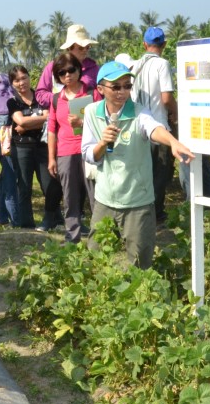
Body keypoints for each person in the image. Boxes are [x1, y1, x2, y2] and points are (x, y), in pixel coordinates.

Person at [82, 61, 193, 268]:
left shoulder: (140, 112)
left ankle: (140, 298)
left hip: (137, 200)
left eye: (127, 86)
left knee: (140, 260)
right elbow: (88, 154)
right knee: (96, 256)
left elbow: (153, 128)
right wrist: (103, 143)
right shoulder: (91, 112)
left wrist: (172, 142)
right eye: (116, 87)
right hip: (105, 198)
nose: (122, 91)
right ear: (100, 89)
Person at [47, 52, 99, 243]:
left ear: (79, 69)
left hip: (90, 151)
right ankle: (72, 235)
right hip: (66, 152)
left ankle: (100, 236)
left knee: (95, 195)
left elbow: (102, 122)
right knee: (70, 197)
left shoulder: (92, 94)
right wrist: (51, 158)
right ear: (57, 76)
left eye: (71, 70)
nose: (67, 75)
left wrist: (83, 122)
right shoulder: (56, 99)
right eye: (62, 72)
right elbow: (51, 130)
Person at [129, 27, 178, 222]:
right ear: (164, 44)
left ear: (144, 45)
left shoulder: (135, 65)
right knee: (160, 173)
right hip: (158, 127)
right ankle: (156, 214)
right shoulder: (162, 64)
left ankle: (142, 211)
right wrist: (177, 111)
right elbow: (166, 98)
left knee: (144, 173)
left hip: (139, 127)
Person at [6, 65, 56, 230]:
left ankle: (55, 219)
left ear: (29, 77)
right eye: (17, 80)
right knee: (24, 186)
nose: (22, 83)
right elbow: (20, 122)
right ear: (12, 83)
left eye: (24, 78)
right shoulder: (12, 102)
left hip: (43, 147)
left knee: (49, 184)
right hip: (21, 148)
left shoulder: (41, 98)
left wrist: (26, 125)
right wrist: (41, 118)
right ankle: (27, 224)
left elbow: (51, 117)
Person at [35, 23, 99, 108]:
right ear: (69, 48)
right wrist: (60, 99)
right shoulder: (53, 67)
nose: (85, 50)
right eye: (80, 48)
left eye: (87, 47)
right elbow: (40, 94)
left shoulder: (94, 69)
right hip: (59, 115)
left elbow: (101, 93)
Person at [0, 72, 20, 226]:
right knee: (7, 178)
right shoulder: (11, 96)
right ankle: (9, 218)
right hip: (6, 133)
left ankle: (10, 218)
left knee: (7, 178)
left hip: (1, 132)